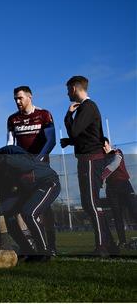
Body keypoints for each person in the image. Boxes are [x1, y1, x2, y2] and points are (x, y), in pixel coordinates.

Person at [0, 144, 60, 261]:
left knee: (29, 213)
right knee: (3, 212)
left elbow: (28, 164)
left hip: (46, 182)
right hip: (25, 190)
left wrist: (1, 159)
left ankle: (43, 252)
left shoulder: (7, 151)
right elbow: (3, 196)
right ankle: (27, 250)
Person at [61, 75, 117, 256]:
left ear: (74, 89)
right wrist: (70, 142)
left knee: (92, 203)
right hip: (87, 159)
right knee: (88, 203)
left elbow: (76, 130)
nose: (67, 93)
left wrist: (68, 115)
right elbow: (86, 134)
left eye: (68, 89)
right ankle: (111, 245)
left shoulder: (88, 107)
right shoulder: (88, 108)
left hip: (91, 159)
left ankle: (102, 247)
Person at [7, 86, 57, 254]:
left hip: (41, 168)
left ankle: (52, 245)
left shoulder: (44, 114)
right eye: (15, 99)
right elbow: (10, 145)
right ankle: (34, 244)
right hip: (21, 171)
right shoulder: (12, 119)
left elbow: (51, 141)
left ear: (30, 97)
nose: (17, 101)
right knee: (24, 207)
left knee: (44, 209)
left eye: (20, 98)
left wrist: (36, 162)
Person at [102, 138, 137, 248]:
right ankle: (122, 241)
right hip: (111, 189)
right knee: (117, 216)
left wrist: (101, 176)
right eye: (101, 147)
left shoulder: (117, 152)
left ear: (109, 144)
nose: (104, 148)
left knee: (134, 211)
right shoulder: (101, 158)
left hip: (124, 185)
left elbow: (115, 164)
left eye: (105, 145)